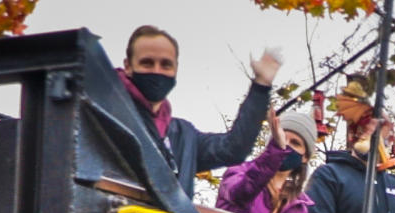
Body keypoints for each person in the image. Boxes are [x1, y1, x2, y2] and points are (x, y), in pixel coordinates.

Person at [118, 25, 280, 196]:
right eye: (147, 63)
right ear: (128, 66)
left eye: (165, 65)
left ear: (175, 69)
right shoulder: (104, 114)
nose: (156, 71)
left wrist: (261, 86)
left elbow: (234, 149)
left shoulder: (184, 136)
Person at [215, 109, 316, 213]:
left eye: (295, 143)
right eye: (282, 137)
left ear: (305, 157)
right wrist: (275, 153)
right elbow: (241, 193)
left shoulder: (298, 204)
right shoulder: (239, 171)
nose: (286, 145)